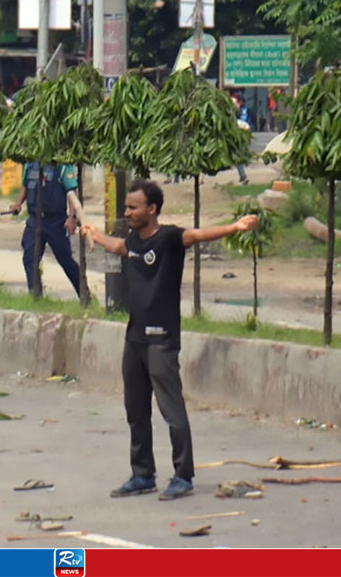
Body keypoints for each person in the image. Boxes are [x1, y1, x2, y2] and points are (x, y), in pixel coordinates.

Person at [80, 180, 258, 500]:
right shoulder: (133, 240)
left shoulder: (171, 238)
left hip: (161, 339)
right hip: (134, 338)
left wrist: (236, 226)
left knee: (171, 410)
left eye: (133, 207)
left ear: (152, 209)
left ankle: (183, 476)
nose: (127, 212)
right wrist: (93, 233)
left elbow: (199, 235)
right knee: (135, 410)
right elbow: (117, 246)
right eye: (127, 207)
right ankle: (142, 475)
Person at [9, 163, 81, 296]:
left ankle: (84, 296)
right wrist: (18, 204)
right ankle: (36, 297)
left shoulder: (62, 165)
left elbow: (71, 192)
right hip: (34, 219)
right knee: (30, 259)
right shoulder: (29, 164)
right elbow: (26, 184)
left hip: (56, 221)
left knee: (65, 260)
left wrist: (72, 218)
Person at [234, 94, 251, 185]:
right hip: (243, 137)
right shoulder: (243, 123)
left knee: (238, 159)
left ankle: (243, 176)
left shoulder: (236, 124)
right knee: (239, 159)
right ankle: (242, 176)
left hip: (239, 141)